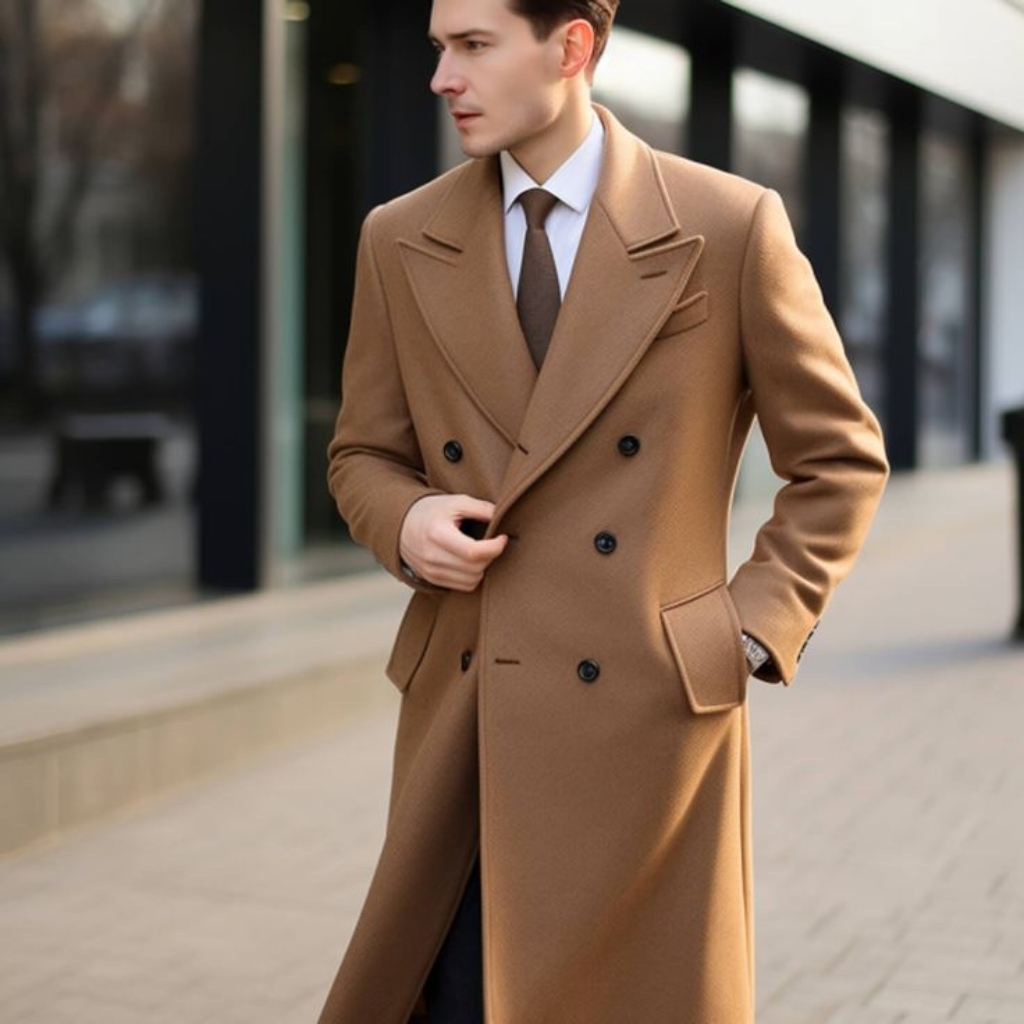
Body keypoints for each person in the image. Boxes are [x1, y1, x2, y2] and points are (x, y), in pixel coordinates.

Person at [317, 0, 889, 1020]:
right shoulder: (398, 237)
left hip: (652, 724)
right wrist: (402, 523)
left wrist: (746, 631)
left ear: (571, 46)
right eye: (440, 47)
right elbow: (363, 450)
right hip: (468, 716)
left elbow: (839, 460)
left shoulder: (724, 224)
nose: (441, 77)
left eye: (473, 46)